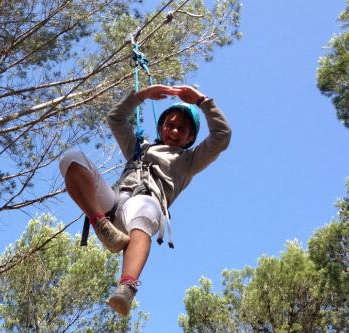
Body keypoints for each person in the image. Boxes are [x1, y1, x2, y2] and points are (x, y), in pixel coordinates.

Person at [59, 84, 231, 316]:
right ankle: (101, 225)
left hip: (144, 208)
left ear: (190, 137)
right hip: (114, 206)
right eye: (170, 125)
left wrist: (202, 101)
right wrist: (141, 96)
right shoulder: (139, 148)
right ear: (161, 127)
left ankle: (127, 288)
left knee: (146, 205)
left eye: (182, 129)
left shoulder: (189, 161)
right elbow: (116, 119)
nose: (175, 131)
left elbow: (222, 136)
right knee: (72, 159)